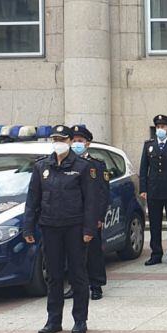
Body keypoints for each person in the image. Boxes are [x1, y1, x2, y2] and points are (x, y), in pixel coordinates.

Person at [24, 125, 97, 333]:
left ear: (69, 141)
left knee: (77, 275)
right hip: (50, 226)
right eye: (54, 139)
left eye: (62, 139)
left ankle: (80, 320)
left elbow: (91, 202)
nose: (58, 143)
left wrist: (89, 229)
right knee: (54, 276)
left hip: (74, 227)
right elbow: (33, 198)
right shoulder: (41, 166)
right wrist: (28, 226)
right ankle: (53, 320)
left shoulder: (82, 166)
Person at [71, 124, 108, 300]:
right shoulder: (65, 164)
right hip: (71, 215)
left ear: (87, 143)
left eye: (80, 141)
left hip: (91, 216)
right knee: (73, 253)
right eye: (74, 140)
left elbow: (103, 193)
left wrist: (99, 216)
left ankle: (96, 285)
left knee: (93, 252)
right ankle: (76, 285)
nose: (76, 144)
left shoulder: (97, 165)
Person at [140, 114, 167, 266]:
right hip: (154, 190)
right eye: (158, 127)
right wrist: (143, 188)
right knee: (155, 224)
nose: (160, 129)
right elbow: (144, 168)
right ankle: (156, 253)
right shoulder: (149, 145)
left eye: (163, 127)